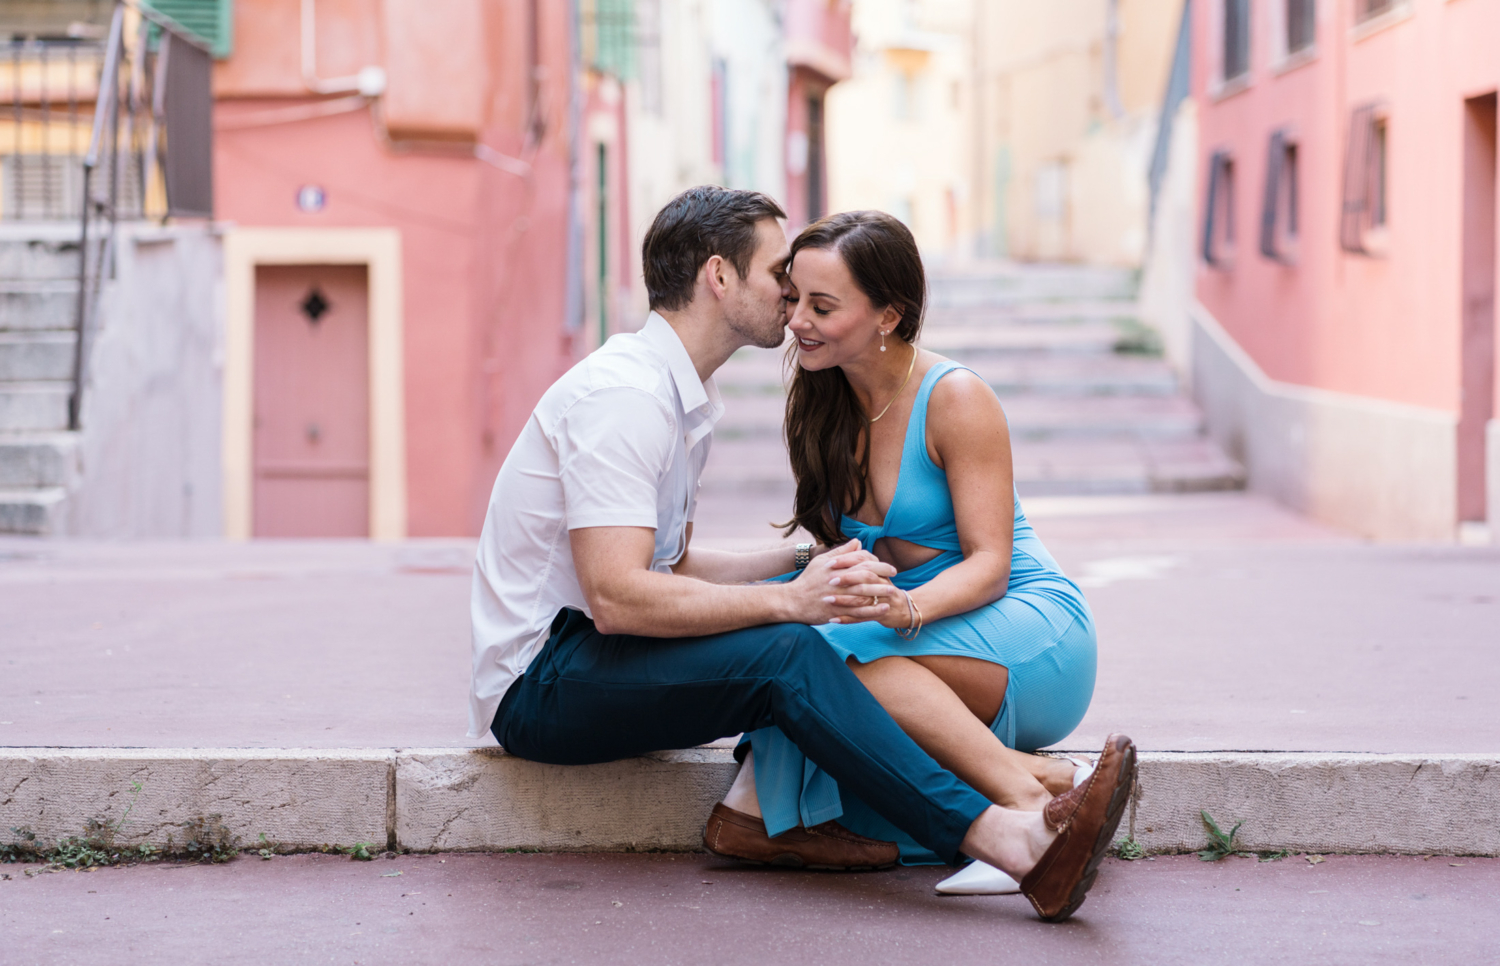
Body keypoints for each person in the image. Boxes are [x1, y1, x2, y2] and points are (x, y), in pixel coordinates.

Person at [469, 186, 1135, 922]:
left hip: (586, 653)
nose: (791, 301)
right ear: (720, 278)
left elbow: (675, 569)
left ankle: (765, 809)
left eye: (813, 295)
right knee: (791, 645)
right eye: (780, 276)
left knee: (797, 634)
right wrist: (794, 598)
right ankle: (1011, 830)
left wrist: (797, 570)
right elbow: (621, 598)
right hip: (545, 678)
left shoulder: (676, 397)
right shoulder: (627, 399)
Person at [718, 210, 1103, 897]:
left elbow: (990, 564)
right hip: (913, 638)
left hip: (1024, 624)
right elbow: (826, 553)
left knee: (832, 661)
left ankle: (1024, 803)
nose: (797, 320)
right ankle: (1045, 782)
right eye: (794, 297)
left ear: (889, 315)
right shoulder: (822, 399)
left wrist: (907, 607)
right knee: (796, 651)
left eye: (823, 306)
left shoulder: (955, 397)